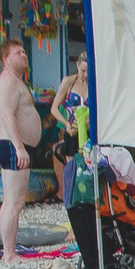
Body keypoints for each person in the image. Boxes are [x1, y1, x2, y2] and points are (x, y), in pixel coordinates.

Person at [0, 40, 42, 263]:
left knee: (12, 200)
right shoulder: (9, 81)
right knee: (14, 201)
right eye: (17, 53)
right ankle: (9, 253)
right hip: (14, 146)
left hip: (13, 144)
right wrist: (20, 148)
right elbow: (7, 115)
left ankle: (8, 250)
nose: (23, 55)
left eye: (23, 51)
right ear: (5, 59)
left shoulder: (13, 81)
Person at [48, 50, 90, 206]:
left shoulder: (95, 83)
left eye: (89, 71)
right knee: (73, 171)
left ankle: (87, 203)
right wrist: (65, 123)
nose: (85, 75)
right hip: (72, 132)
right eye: (83, 70)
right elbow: (54, 108)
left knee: (88, 171)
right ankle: (73, 204)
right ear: (77, 65)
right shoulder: (69, 82)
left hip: (90, 133)